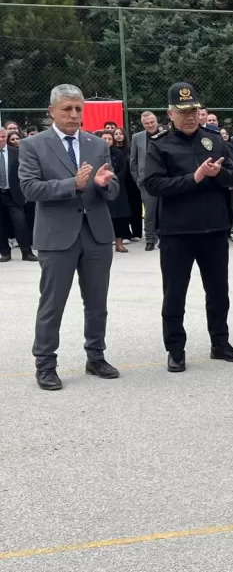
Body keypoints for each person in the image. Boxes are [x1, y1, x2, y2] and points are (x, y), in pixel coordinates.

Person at [18, 84, 120, 390]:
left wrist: (104, 184)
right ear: (52, 111)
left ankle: (96, 356)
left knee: (97, 302)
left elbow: (113, 189)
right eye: (67, 109)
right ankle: (46, 364)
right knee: (52, 304)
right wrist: (71, 185)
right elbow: (29, 189)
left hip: (97, 235)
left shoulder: (96, 144)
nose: (74, 115)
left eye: (78, 109)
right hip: (56, 237)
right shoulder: (33, 145)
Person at [143, 82, 233, 372]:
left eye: (194, 110)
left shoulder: (214, 140)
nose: (189, 116)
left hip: (214, 228)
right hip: (178, 232)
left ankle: (220, 343)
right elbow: (153, 184)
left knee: (218, 291)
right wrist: (194, 178)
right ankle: (175, 349)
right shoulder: (159, 144)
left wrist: (218, 173)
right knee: (175, 293)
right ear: (170, 113)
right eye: (183, 111)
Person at [0, 127, 38, 263]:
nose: (1, 139)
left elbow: (25, 173)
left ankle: (26, 252)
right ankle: (4, 253)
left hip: (14, 194)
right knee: (1, 225)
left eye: (3, 137)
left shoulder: (16, 153)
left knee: (20, 223)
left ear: (6, 137)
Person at [129, 111, 162, 251]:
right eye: (146, 123)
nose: (149, 125)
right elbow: (133, 161)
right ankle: (150, 238)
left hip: (165, 179)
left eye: (152, 122)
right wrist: (138, 180)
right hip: (146, 181)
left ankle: (165, 237)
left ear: (156, 121)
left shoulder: (166, 135)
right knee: (149, 212)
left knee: (165, 210)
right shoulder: (137, 137)